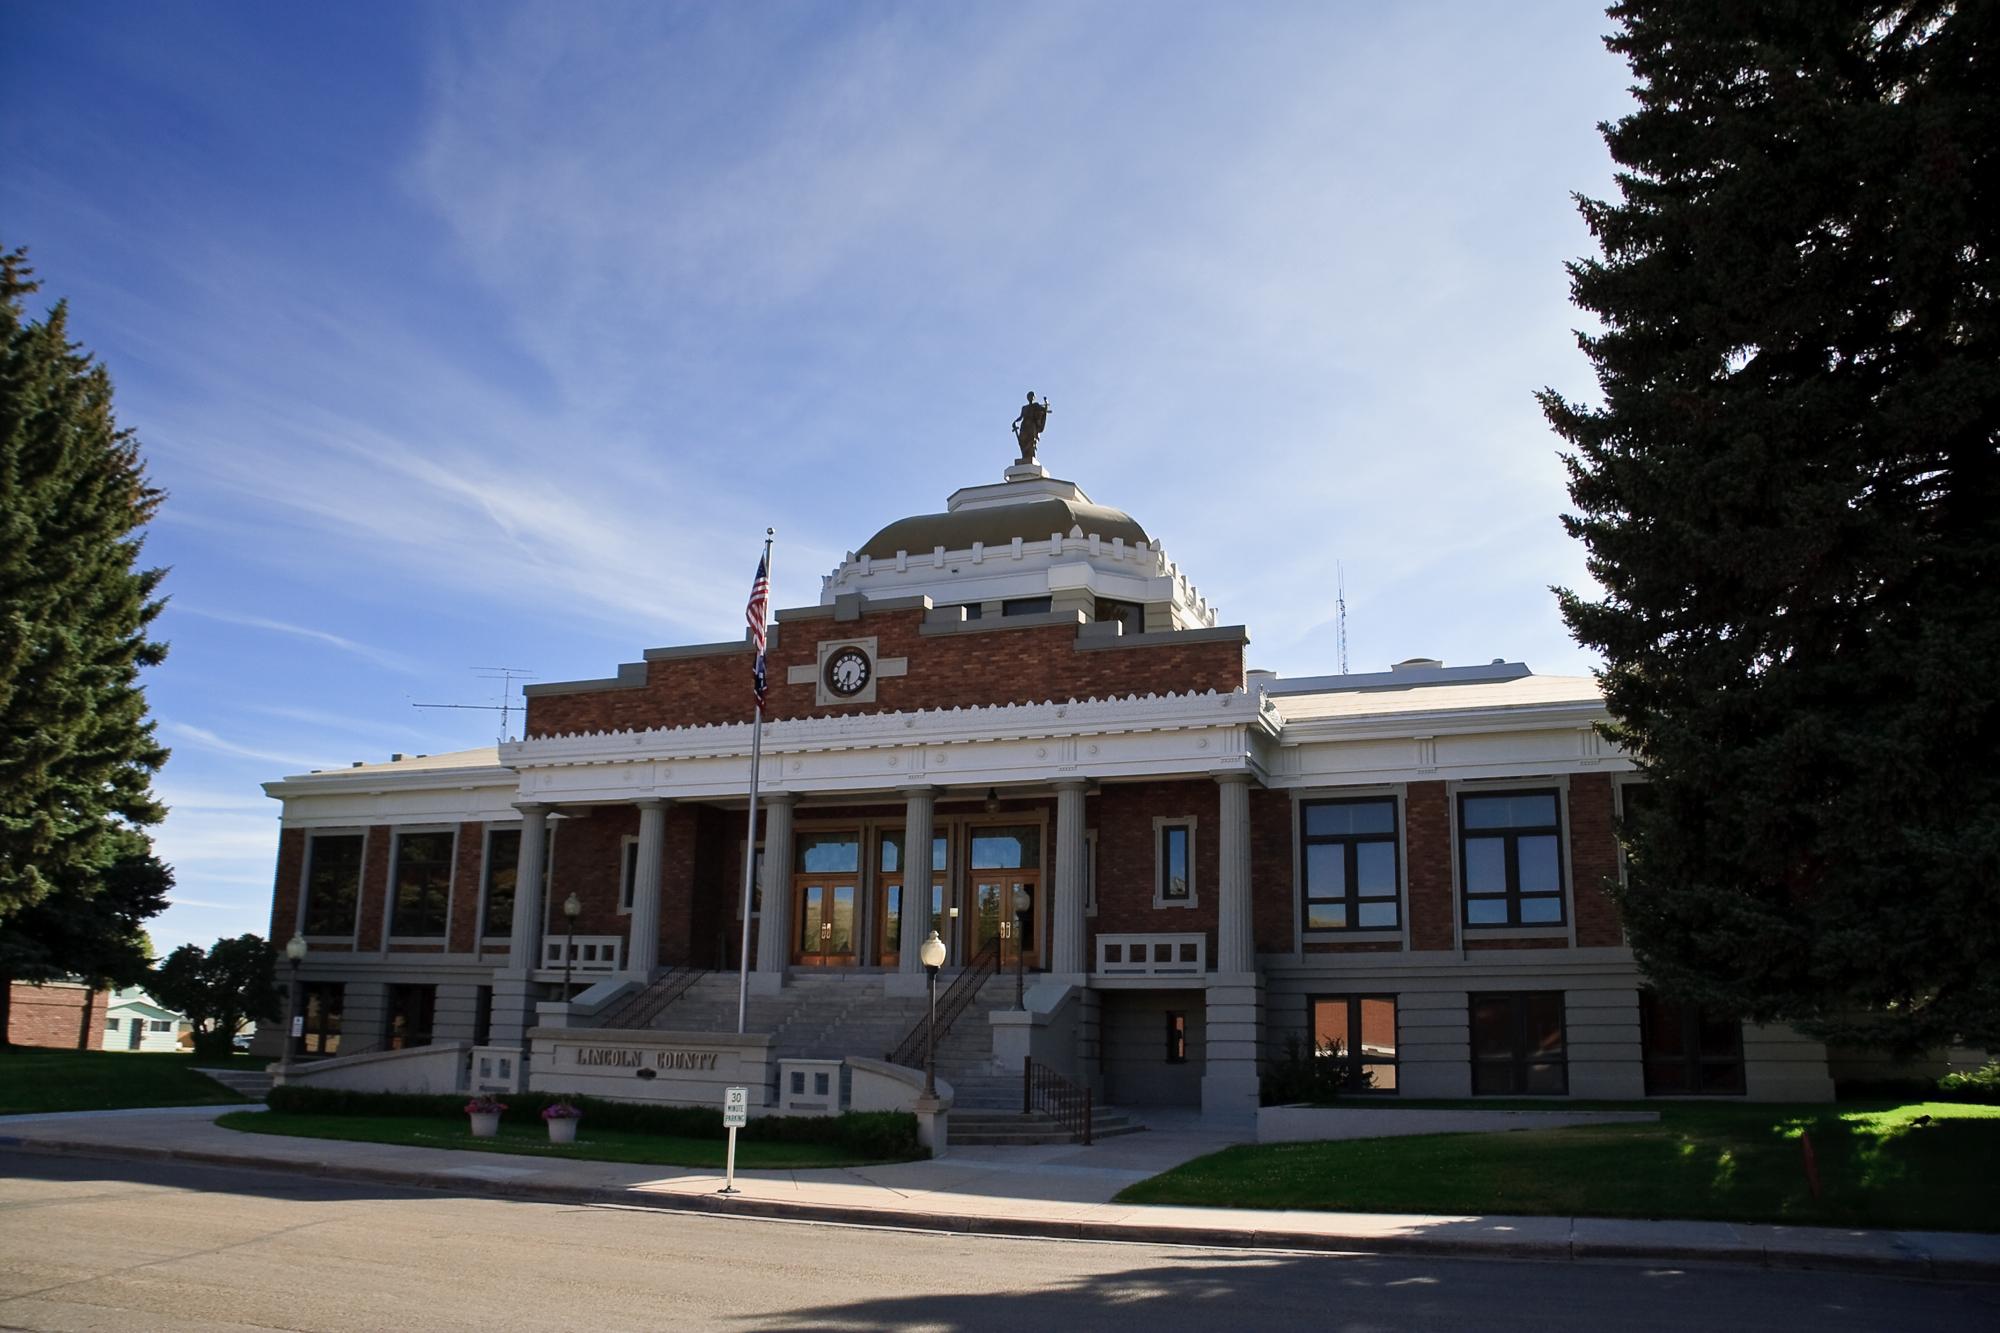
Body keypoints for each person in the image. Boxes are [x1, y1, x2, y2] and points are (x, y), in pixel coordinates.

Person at [1012, 392, 1051, 463]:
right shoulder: (1024, 408)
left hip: (1032, 425)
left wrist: (1046, 404)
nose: (1030, 397)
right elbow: (1021, 417)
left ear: (1034, 398)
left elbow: (1043, 409)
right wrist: (1015, 422)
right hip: (1024, 426)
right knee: (1023, 441)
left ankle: (1032, 456)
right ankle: (1024, 456)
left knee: (1032, 441)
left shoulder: (1036, 405)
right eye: (1029, 396)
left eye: (1032, 396)